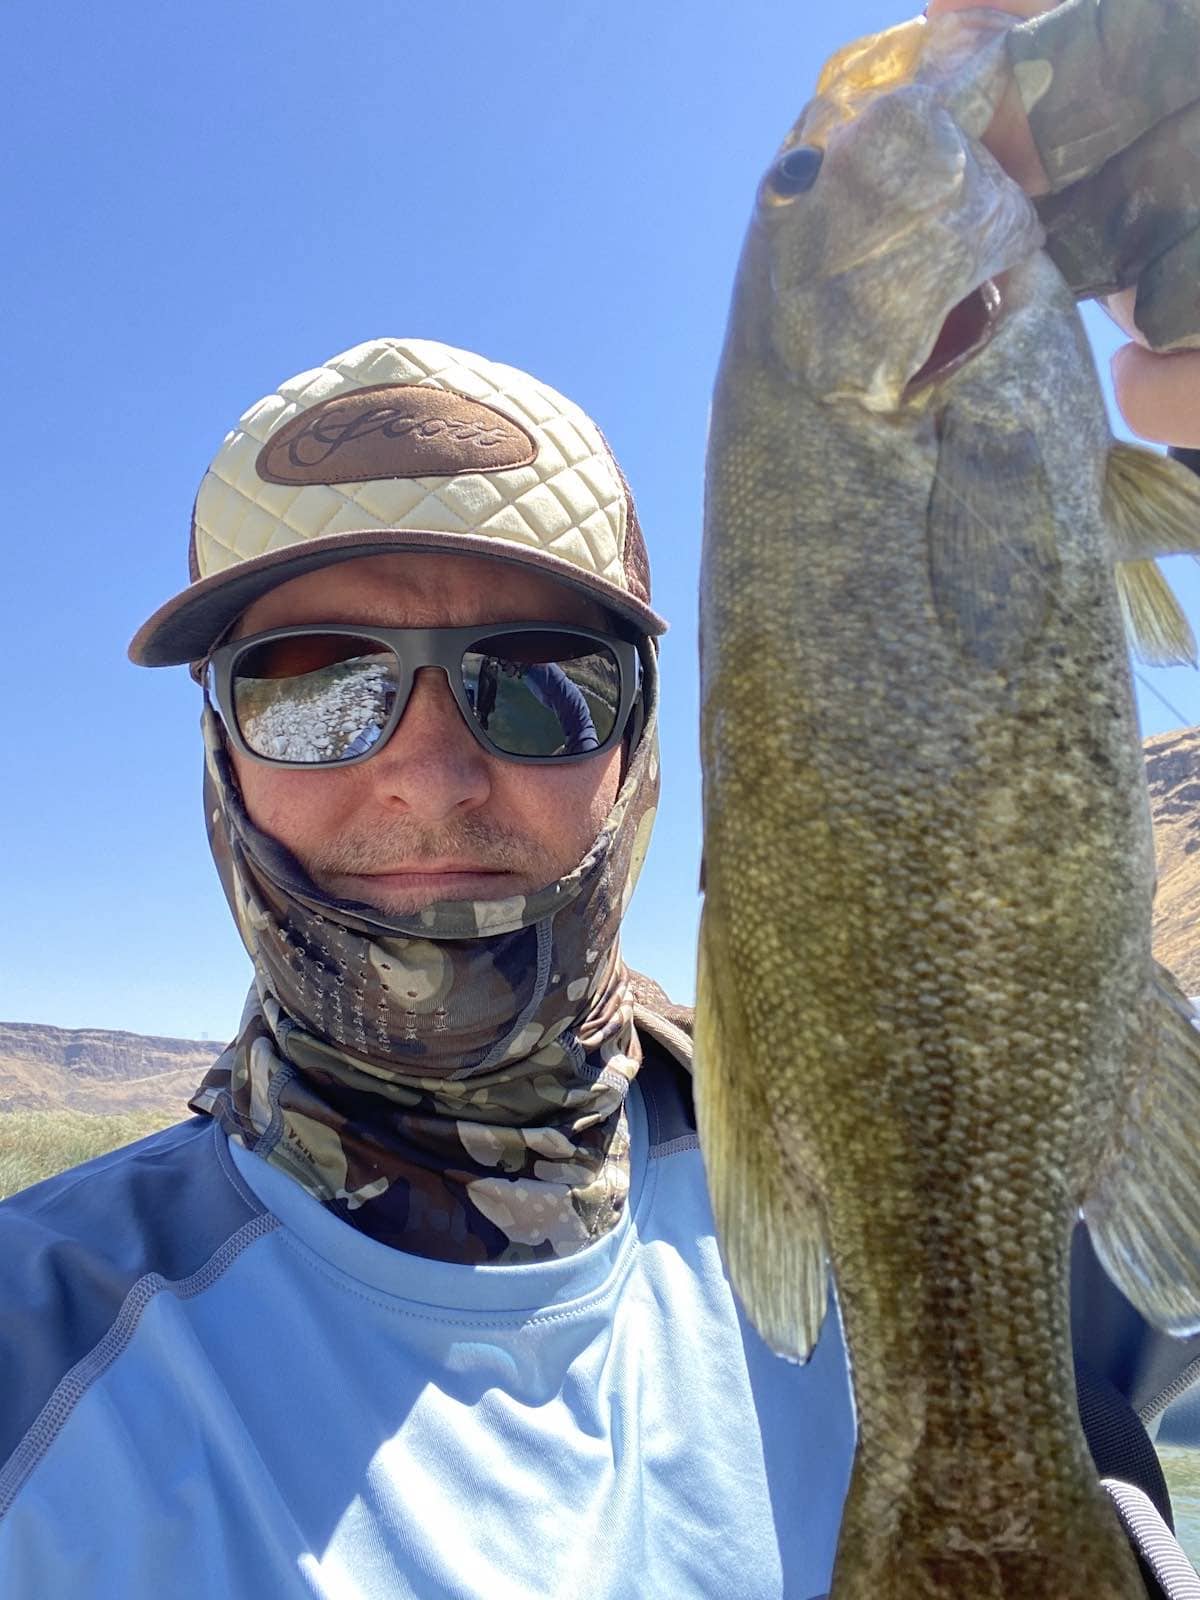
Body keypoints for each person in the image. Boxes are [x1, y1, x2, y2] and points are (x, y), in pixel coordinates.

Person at [3, 5, 1200, 1598]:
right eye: (314, 682)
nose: (426, 770)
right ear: (218, 749)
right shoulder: (37, 1358)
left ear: (645, 750)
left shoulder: (930, 1199)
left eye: (538, 677)